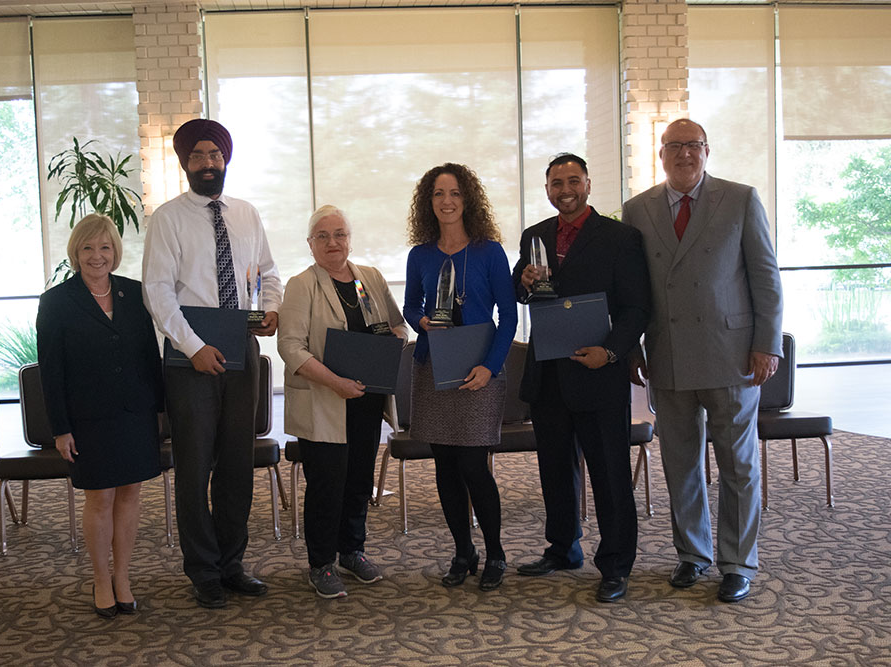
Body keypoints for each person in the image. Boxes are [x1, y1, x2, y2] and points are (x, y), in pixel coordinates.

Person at [621, 119, 783, 603]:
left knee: (738, 465)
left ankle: (737, 563)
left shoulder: (741, 199)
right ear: (661, 154)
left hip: (732, 354)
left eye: (693, 145)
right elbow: (630, 289)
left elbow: (766, 277)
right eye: (674, 146)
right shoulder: (637, 209)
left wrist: (767, 343)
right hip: (667, 354)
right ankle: (692, 553)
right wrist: (631, 346)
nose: (684, 154)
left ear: (707, 151)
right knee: (681, 464)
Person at [142, 119, 282, 609]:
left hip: (241, 349)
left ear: (226, 160)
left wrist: (271, 310)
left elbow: (268, 273)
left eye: (215, 155)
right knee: (195, 466)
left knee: (237, 464)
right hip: (190, 359)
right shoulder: (168, 219)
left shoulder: (246, 214)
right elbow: (157, 291)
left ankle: (231, 564)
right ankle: (203, 570)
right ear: (185, 163)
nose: (208, 163)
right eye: (198, 155)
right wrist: (192, 346)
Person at [511, 153, 650, 602]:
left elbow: (636, 307)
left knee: (610, 474)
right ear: (547, 190)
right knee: (554, 470)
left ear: (588, 185)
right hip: (549, 373)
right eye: (557, 183)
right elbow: (519, 291)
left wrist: (610, 352)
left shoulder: (621, 237)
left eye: (574, 181)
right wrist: (523, 281)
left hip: (599, 372)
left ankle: (615, 565)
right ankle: (562, 549)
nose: (565, 190)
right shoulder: (535, 235)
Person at [278, 205, 408, 599]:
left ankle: (352, 550)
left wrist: (393, 345)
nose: (332, 242)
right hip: (324, 400)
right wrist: (335, 382)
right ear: (310, 244)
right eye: (323, 236)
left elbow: (397, 325)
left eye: (339, 234)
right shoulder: (302, 285)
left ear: (349, 239)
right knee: (327, 485)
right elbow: (290, 347)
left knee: (358, 481)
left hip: (366, 400)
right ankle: (321, 563)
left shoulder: (370, 278)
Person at [36, 213, 163, 618]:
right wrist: (60, 429)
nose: (97, 255)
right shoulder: (56, 302)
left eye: (105, 247)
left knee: (130, 494)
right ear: (76, 252)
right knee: (100, 497)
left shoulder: (134, 293)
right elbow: (51, 371)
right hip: (88, 419)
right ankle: (101, 578)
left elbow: (149, 356)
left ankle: (122, 576)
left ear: (115, 252)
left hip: (135, 414)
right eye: (88, 247)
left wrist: (160, 412)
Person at [403, 163, 517, 591]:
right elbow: (410, 306)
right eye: (438, 194)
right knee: (446, 466)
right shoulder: (420, 255)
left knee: (473, 464)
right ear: (427, 202)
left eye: (454, 193)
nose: (446, 201)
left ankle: (496, 552)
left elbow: (509, 315)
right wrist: (421, 322)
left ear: (467, 199)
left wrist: (491, 366)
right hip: (435, 366)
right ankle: (463, 551)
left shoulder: (490, 252)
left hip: (479, 368)